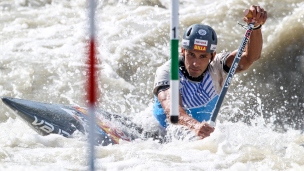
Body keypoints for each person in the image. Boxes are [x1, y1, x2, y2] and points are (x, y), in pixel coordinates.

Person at [152, 5, 268, 140]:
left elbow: (250, 57)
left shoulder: (217, 66)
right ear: (183, 51)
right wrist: (195, 126)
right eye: (191, 54)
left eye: (203, 57)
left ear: (212, 56)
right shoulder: (167, 71)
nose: (195, 63)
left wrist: (256, 28)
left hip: (195, 136)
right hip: (158, 134)